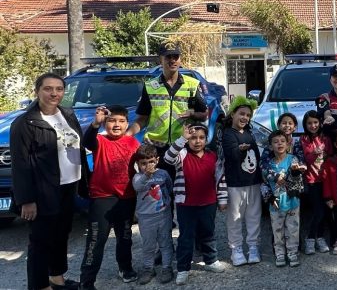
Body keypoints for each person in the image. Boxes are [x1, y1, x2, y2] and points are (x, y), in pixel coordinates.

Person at [10, 73, 86, 290]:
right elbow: (20, 165)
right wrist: (27, 200)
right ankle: (40, 285)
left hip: (69, 185)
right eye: (48, 88)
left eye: (59, 89)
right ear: (37, 91)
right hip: (43, 191)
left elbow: (76, 147)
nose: (54, 93)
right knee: (41, 242)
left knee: (61, 235)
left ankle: (57, 278)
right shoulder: (25, 123)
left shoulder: (67, 114)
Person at [127, 42, 208, 184]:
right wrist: (126, 135)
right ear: (160, 59)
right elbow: (142, 118)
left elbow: (204, 114)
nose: (172, 60)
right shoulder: (151, 86)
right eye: (168, 57)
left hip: (181, 147)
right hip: (154, 149)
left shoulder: (192, 84)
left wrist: (192, 114)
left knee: (181, 188)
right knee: (155, 191)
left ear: (180, 59)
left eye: (175, 56)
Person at [79, 105, 140, 289]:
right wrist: (95, 123)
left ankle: (125, 268)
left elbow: (145, 161)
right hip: (102, 198)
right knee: (96, 240)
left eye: (121, 121)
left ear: (127, 124)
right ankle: (87, 280)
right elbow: (87, 141)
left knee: (125, 237)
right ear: (106, 123)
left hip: (127, 198)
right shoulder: (99, 140)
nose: (116, 124)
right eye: (112, 120)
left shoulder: (133, 143)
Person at [164, 123, 228, 285]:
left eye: (201, 137)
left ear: (207, 139)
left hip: (208, 203)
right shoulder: (182, 154)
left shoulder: (213, 156)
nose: (197, 141)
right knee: (186, 236)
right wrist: (182, 139)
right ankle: (183, 268)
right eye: (193, 138)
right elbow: (167, 158)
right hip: (186, 204)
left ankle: (211, 260)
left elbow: (220, 179)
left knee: (208, 233)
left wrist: (222, 199)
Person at [221, 96, 262, 266]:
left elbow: (257, 157)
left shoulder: (250, 134)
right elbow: (232, 155)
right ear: (232, 114)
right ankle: (236, 249)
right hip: (235, 183)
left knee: (254, 216)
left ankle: (253, 247)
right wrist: (239, 150)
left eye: (248, 115)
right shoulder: (227, 134)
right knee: (235, 217)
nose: (245, 117)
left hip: (253, 181)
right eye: (241, 114)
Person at [131, 145, 174, 285]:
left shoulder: (163, 174)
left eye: (151, 162)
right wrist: (146, 175)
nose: (148, 166)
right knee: (148, 245)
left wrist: (167, 202)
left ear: (157, 160)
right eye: (143, 163)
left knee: (166, 242)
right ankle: (148, 268)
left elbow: (169, 186)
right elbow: (137, 187)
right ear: (138, 164)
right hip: (146, 217)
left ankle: (167, 267)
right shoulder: (138, 177)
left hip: (164, 214)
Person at [262, 131, 305, 267]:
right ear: (270, 146)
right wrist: (269, 197)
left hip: (292, 202)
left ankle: (292, 253)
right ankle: (280, 253)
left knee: (293, 229)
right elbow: (263, 183)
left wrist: (295, 171)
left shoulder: (293, 160)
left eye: (282, 141)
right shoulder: (267, 165)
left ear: (288, 144)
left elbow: (298, 181)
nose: (279, 143)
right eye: (275, 141)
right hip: (276, 204)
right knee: (277, 230)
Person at [299, 110, 333, 255]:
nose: (313, 125)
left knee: (324, 210)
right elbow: (307, 159)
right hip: (311, 180)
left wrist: (325, 155)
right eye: (309, 123)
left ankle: (319, 238)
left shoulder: (326, 138)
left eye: (315, 122)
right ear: (305, 125)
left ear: (320, 123)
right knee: (318, 210)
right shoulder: (304, 139)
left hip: (325, 179)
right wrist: (315, 153)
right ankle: (311, 238)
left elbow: (331, 155)